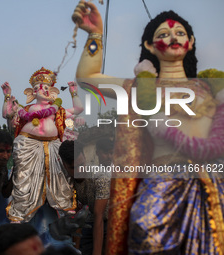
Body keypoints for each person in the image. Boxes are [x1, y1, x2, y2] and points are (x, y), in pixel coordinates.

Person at [72, 1, 224, 254]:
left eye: (180, 33)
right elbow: (87, 80)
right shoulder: (137, 87)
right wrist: (95, 35)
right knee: (144, 230)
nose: (173, 37)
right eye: (163, 34)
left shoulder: (211, 88)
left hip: (210, 185)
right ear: (150, 46)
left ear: (191, 41)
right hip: (161, 180)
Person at [1, 67, 84, 223]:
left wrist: (73, 92)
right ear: (32, 93)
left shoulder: (57, 110)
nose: (44, 90)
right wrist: (7, 95)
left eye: (47, 88)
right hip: (28, 145)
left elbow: (79, 108)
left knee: (61, 177)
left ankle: (67, 210)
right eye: (40, 87)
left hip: (53, 145)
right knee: (23, 179)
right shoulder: (24, 109)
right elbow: (7, 114)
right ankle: (19, 215)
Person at [59, 140, 112, 255]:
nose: (79, 171)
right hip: (89, 221)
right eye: (73, 168)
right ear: (64, 165)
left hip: (109, 221)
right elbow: (76, 215)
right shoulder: (65, 179)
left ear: (84, 158)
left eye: (81, 165)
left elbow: (99, 217)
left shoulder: (100, 177)